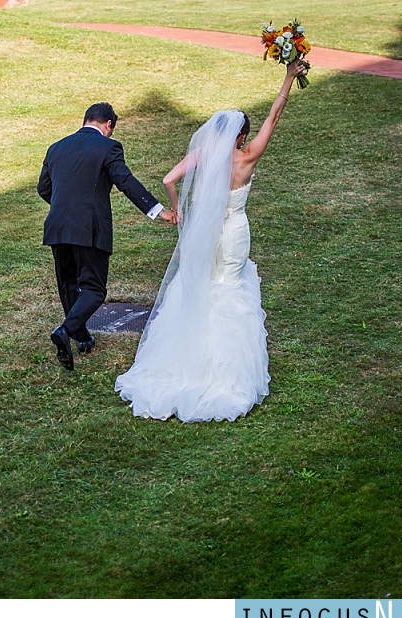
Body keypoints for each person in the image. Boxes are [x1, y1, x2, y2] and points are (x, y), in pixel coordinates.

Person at [115, 61, 306, 421]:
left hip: (201, 236)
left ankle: (183, 365)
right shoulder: (246, 157)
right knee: (229, 287)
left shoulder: (203, 156)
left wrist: (179, 212)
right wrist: (288, 78)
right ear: (241, 136)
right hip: (233, 233)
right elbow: (274, 119)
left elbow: (169, 180)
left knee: (200, 287)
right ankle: (228, 374)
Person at [37, 103, 177, 371]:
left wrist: (63, 209)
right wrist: (159, 211)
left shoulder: (56, 147)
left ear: (85, 120)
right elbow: (125, 181)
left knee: (68, 282)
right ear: (108, 125)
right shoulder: (108, 147)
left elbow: (44, 188)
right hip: (89, 228)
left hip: (57, 226)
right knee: (93, 288)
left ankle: (80, 336)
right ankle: (65, 330)